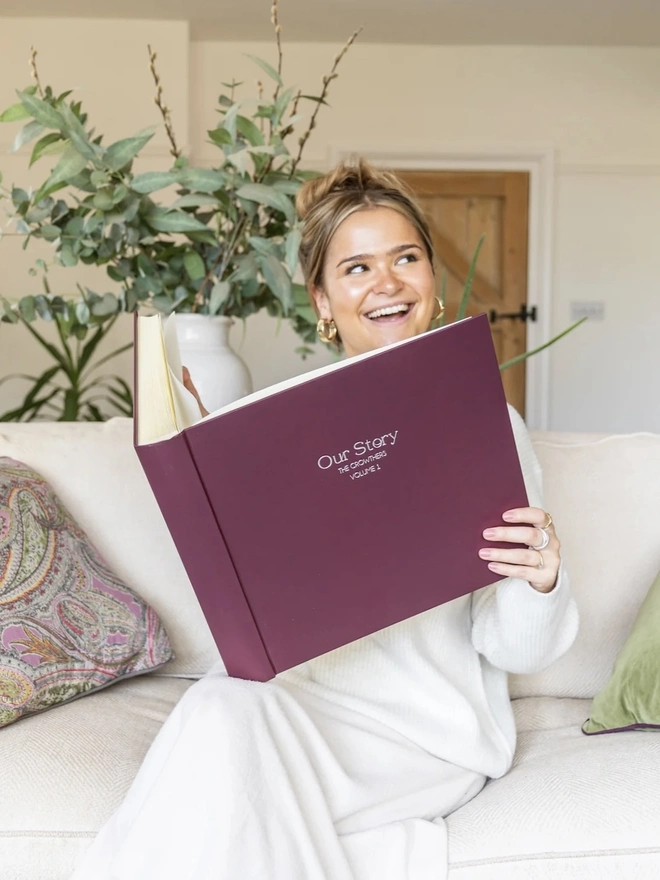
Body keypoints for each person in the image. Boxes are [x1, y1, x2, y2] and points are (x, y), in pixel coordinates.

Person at [71, 160, 578, 880]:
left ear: (433, 282)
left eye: (406, 258)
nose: (388, 282)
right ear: (323, 300)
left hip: (425, 734)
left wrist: (541, 579)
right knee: (218, 710)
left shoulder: (488, 424)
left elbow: (515, 648)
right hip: (294, 712)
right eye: (358, 267)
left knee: (213, 758)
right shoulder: (279, 434)